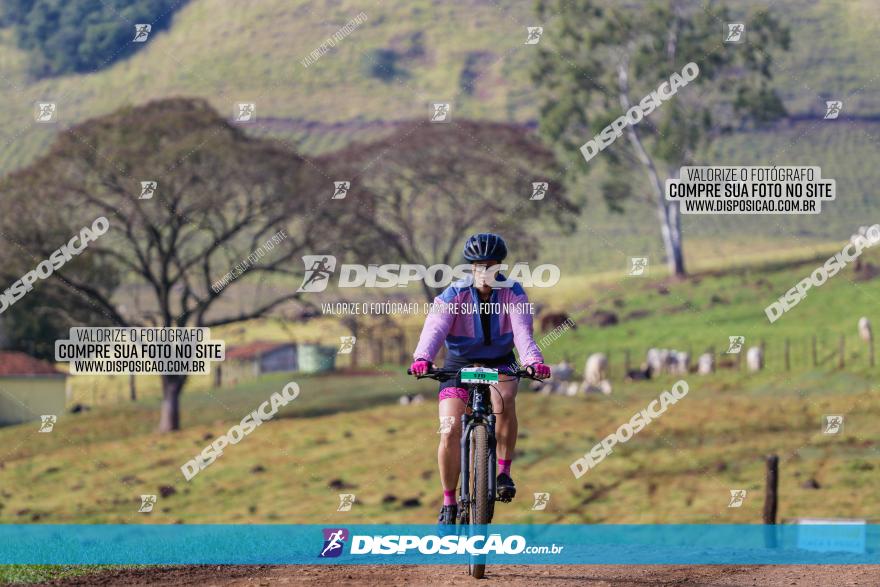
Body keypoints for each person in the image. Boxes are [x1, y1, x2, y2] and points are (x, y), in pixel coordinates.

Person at [410, 233, 551, 525]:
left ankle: (503, 472)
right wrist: (423, 358)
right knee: (449, 430)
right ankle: (449, 501)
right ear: (470, 268)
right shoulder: (453, 295)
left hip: (500, 361)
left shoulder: (513, 293)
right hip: (459, 364)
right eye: (478, 266)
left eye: (491, 266)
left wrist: (534, 362)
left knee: (507, 400)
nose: (485, 272)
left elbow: (523, 334)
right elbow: (435, 328)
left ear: (500, 267)